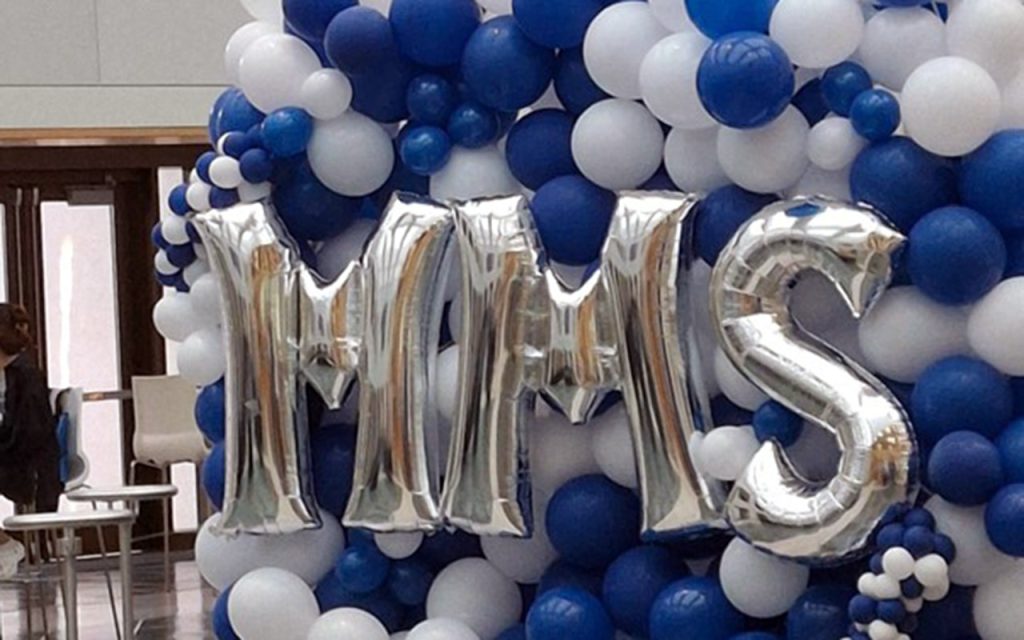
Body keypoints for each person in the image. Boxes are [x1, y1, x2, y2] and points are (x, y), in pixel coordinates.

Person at [0, 304, 63, 576]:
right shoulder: (12, 374)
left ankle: (5, 544)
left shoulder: (26, 377)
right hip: (18, 457)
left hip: (31, 467)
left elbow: (29, 435)